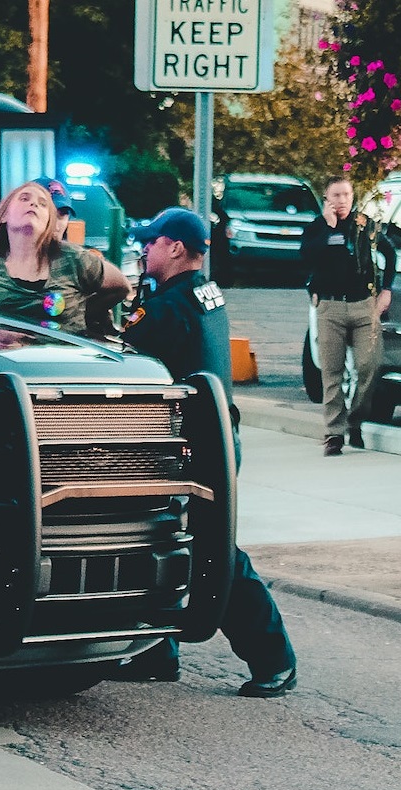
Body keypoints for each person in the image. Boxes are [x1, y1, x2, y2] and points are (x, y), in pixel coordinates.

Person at [116, 206, 297, 699]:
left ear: (175, 247)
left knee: (214, 554)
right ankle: (156, 651)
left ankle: (273, 658)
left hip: (197, 449)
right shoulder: (203, 294)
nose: (144, 250)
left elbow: (124, 351)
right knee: (159, 539)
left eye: (151, 243)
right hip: (210, 440)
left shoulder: (171, 306)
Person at [301, 175, 397, 456]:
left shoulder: (364, 225)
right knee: (332, 372)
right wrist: (328, 227)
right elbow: (306, 258)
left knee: (369, 365)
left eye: (346, 195)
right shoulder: (316, 229)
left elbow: (390, 254)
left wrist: (386, 289)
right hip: (330, 308)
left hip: (363, 306)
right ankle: (334, 433)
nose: (342, 200)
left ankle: (355, 421)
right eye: (336, 196)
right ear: (326, 200)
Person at [0, 181, 130, 337]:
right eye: (24, 198)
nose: (33, 204)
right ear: (4, 215)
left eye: (43, 204)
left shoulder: (75, 259)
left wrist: (81, 311)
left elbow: (120, 287)